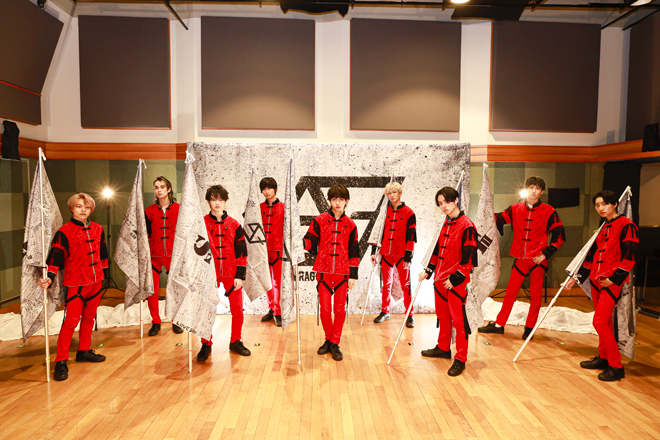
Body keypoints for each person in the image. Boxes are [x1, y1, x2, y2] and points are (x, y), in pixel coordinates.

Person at [563, 190, 638, 381]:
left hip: (611, 282)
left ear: (615, 204)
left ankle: (616, 366)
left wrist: (613, 279)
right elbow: (591, 257)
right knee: (605, 322)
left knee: (599, 322)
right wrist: (575, 278)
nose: (600, 208)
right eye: (597, 205)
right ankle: (604, 357)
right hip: (596, 281)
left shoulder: (627, 225)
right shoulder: (603, 227)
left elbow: (629, 257)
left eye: (604, 204)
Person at [478, 176, 565, 339]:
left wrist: (545, 254)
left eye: (537, 188)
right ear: (525, 189)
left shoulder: (549, 211)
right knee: (510, 293)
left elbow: (559, 236)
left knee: (536, 295)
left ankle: (530, 328)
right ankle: (499, 324)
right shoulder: (515, 208)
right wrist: (484, 203)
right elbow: (496, 218)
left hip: (538, 260)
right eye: (531, 187)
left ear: (542, 191)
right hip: (520, 259)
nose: (533, 191)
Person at [39, 193, 108, 381]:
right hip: (76, 284)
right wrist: (50, 277)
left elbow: (103, 253)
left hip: (96, 282)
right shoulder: (64, 232)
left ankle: (84, 350)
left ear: (91, 209)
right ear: (71, 209)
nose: (83, 209)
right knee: (71, 321)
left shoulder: (98, 228)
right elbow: (55, 257)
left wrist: (104, 275)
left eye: (86, 206)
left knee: (89, 317)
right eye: (79, 206)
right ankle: (60, 360)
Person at [418, 187, 478, 377]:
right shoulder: (445, 223)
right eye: (440, 203)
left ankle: (461, 358)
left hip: (455, 282)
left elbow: (469, 257)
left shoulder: (467, 225)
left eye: (447, 201)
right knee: (443, 317)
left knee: (459, 322)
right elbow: (437, 250)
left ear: (456, 200)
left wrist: (456, 278)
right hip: (439, 279)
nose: (443, 206)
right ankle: (443, 348)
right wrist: (429, 270)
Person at [303, 184, 360, 361]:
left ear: (346, 201)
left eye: (341, 199)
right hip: (324, 272)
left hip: (343, 274)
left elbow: (354, 251)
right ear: (329, 200)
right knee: (325, 310)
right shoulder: (319, 220)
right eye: (334, 199)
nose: (337, 203)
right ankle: (328, 339)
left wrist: (353, 275)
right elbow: (309, 241)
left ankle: (335, 342)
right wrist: (299, 242)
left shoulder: (351, 225)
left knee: (340, 310)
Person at [198, 184, 250, 361]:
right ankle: (206, 343)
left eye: (220, 199)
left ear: (225, 201)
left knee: (237, 310)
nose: (217, 203)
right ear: (208, 201)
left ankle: (235, 341)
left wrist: (240, 275)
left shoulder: (235, 225)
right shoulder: (202, 224)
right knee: (206, 310)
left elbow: (242, 252)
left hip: (231, 273)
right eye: (213, 199)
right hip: (209, 274)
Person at [370, 181, 417, 327]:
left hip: (402, 255)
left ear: (400, 193)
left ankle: (409, 314)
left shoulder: (409, 213)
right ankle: (385, 311)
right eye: (389, 193)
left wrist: (408, 256)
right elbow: (378, 233)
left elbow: (411, 237)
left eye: (394, 192)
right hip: (386, 254)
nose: (391, 195)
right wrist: (374, 251)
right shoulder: (385, 212)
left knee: (406, 286)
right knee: (386, 284)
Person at [144, 176, 182, 336]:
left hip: (174, 255)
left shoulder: (179, 208)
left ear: (168, 189)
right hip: (154, 255)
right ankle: (155, 321)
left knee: (175, 289)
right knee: (152, 290)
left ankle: (176, 320)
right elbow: (146, 234)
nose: (159, 190)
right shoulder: (149, 211)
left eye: (162, 187)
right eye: (156, 187)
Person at [259, 177, 285, 327]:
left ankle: (278, 311)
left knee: (277, 283)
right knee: (267, 282)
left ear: (275, 189)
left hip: (278, 251)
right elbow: (251, 226)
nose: (266, 191)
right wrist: (246, 212)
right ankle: (272, 308)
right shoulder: (259, 208)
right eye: (264, 189)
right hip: (262, 251)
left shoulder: (284, 207)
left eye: (269, 188)